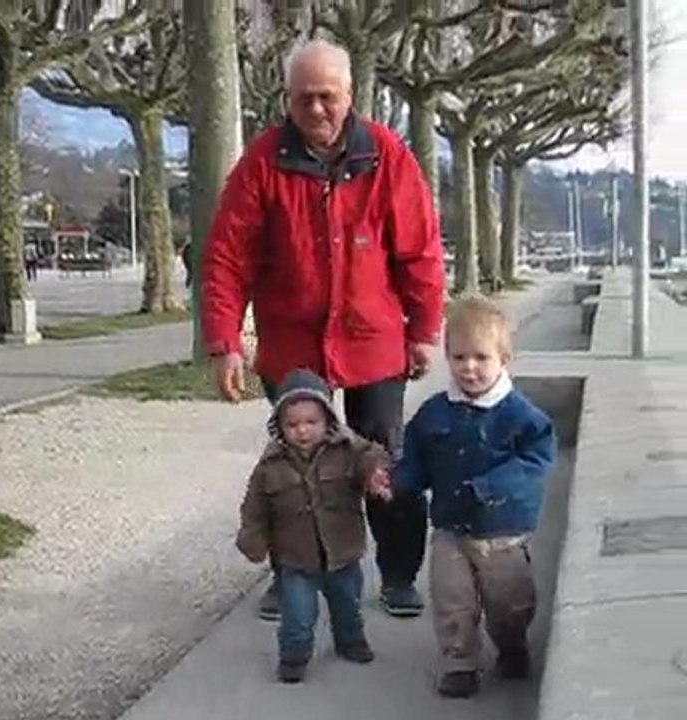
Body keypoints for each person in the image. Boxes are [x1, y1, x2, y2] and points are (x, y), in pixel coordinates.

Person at [200, 38, 445, 620]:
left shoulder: (387, 156)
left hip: (372, 339)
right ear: (287, 98)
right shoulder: (262, 162)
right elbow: (227, 258)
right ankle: (295, 576)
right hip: (292, 341)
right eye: (303, 98)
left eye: (327, 97)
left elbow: (420, 250)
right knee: (297, 464)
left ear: (349, 95)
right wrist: (225, 342)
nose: (315, 109)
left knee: (383, 457)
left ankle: (398, 573)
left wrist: (423, 329)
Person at [368, 296, 557, 698]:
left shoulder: (520, 415)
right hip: (451, 528)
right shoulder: (435, 412)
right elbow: (417, 459)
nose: (469, 367)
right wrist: (397, 482)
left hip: (503, 531)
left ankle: (511, 645)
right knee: (452, 601)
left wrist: (492, 486)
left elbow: (537, 460)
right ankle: (459, 663)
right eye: (458, 357)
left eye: (481, 357)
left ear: (504, 359)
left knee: (509, 602)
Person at [236, 368, 389, 684]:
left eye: (311, 422)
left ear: (327, 420)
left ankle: (350, 642)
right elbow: (255, 507)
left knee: (348, 607)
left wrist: (374, 474)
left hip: (342, 553)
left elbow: (371, 456)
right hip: (295, 559)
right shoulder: (270, 466)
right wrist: (253, 537)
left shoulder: (348, 449)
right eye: (292, 424)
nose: (302, 431)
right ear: (279, 426)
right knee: (297, 617)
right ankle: (293, 657)